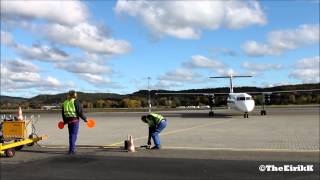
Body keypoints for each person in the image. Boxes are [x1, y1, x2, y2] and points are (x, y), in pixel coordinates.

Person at [62, 90, 87, 155]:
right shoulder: (75, 101)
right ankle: (71, 150)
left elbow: (63, 113)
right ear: (73, 95)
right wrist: (85, 119)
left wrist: (64, 122)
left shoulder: (65, 102)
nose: (76, 95)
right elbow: (79, 112)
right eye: (75, 94)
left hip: (68, 121)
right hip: (74, 120)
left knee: (71, 135)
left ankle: (71, 149)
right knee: (73, 135)